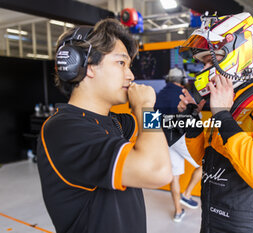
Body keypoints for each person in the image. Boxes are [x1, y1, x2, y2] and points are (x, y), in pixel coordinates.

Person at [36, 18, 172, 233]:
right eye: (121, 63)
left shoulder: (113, 121)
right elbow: (158, 171)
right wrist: (145, 106)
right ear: (88, 66)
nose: (131, 75)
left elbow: (164, 131)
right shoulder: (63, 130)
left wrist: (200, 107)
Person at [177, 12, 253, 233]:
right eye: (204, 62)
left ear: (240, 54)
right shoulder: (230, 105)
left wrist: (223, 117)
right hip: (211, 220)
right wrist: (192, 120)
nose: (205, 70)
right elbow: (203, 160)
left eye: (210, 60)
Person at [154, 67, 202, 222]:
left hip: (166, 140)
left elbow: (152, 121)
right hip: (182, 138)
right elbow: (195, 119)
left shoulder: (159, 94)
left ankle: (178, 212)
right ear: (182, 80)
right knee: (206, 164)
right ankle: (187, 195)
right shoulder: (184, 95)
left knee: (174, 177)